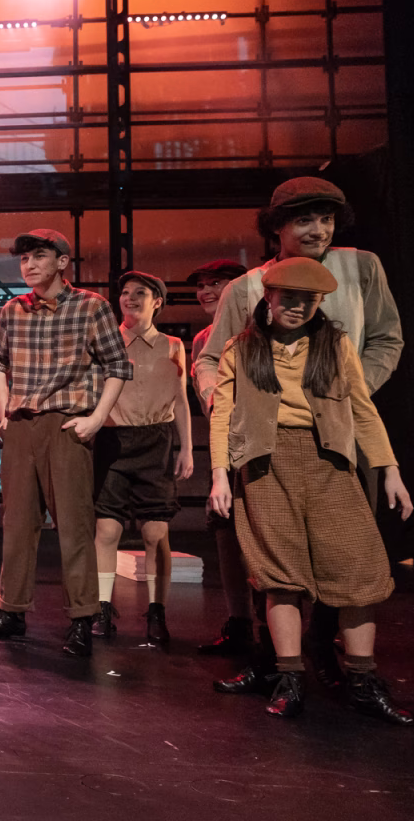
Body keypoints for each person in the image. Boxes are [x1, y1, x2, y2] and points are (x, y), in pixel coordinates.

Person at [193, 177, 403, 688]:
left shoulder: (362, 267)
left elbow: (386, 339)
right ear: (277, 228)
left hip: (340, 438)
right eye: (304, 220)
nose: (318, 230)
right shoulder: (247, 287)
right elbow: (212, 358)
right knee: (271, 554)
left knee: (343, 550)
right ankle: (275, 662)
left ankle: (325, 652)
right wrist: (228, 405)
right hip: (267, 442)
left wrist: (342, 393)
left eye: (326, 219)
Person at [0, 229, 132, 657]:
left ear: (62, 262)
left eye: (39, 256)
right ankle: (11, 610)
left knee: (74, 526)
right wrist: (4, 412)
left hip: (65, 425)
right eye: (24, 259)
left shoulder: (91, 306)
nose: (29, 265)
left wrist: (96, 419)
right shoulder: (13, 309)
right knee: (17, 524)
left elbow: (118, 365)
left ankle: (82, 618)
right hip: (22, 425)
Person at [89, 271, 194, 647]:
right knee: (107, 531)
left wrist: (186, 448)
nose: (130, 298)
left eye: (140, 293)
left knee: (155, 532)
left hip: (156, 442)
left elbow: (181, 399)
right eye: (125, 292)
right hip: (113, 440)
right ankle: (101, 609)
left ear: (157, 302)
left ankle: (156, 612)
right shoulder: (105, 342)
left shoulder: (173, 345)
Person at [184, 259, 253, 656]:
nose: (207, 292)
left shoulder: (259, 330)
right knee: (226, 533)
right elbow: (207, 404)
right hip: (225, 443)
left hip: (261, 441)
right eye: (202, 285)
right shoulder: (203, 341)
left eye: (217, 284)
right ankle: (239, 622)